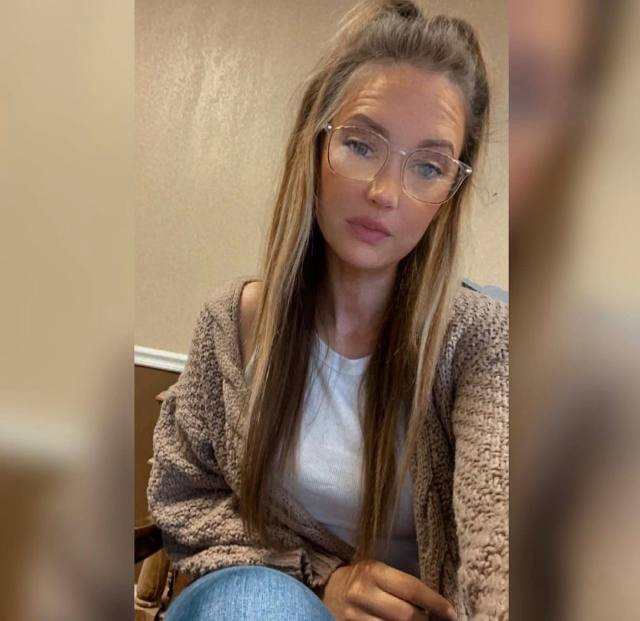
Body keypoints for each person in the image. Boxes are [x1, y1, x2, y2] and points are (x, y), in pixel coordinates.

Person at [147, 1, 508, 619]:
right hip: (257, 593)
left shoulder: (482, 344)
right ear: (315, 145)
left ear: (450, 193)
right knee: (254, 604)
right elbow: (184, 499)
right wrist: (320, 577)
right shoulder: (233, 326)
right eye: (362, 145)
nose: (385, 193)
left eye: (428, 166)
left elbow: (502, 527)